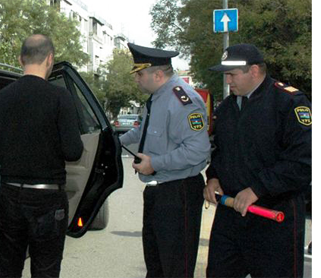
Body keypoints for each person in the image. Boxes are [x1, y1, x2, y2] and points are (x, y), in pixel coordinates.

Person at [204, 43, 311, 277]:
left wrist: (258, 188)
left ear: (254, 71)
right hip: (231, 216)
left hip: (273, 216)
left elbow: (303, 161)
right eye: (225, 75)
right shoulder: (227, 108)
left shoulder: (289, 103)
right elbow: (221, 152)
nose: (228, 81)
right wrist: (213, 177)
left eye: (232, 75)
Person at [0, 34, 83, 278]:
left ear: (20, 59)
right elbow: (73, 151)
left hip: (9, 195)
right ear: (50, 59)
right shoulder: (60, 97)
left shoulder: (0, 99)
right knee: (46, 269)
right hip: (47, 198)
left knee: (7, 266)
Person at [121, 43, 211, 277]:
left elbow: (198, 151)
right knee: (156, 265)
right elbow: (141, 133)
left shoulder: (183, 101)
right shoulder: (156, 99)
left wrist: (155, 164)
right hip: (158, 192)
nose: (136, 80)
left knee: (175, 268)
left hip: (178, 193)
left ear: (158, 74)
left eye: (139, 74)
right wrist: (108, 140)